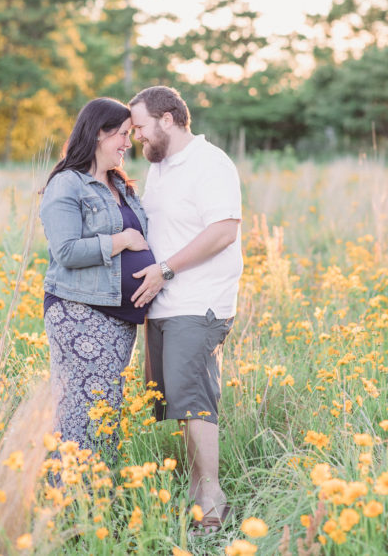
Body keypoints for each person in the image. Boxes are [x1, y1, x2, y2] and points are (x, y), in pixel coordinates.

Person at [127, 85, 243, 534]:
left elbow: (223, 232)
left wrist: (165, 271)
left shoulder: (209, 164)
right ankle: (198, 495)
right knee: (178, 402)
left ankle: (212, 508)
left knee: (195, 404)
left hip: (199, 302)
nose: (136, 137)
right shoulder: (160, 167)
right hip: (165, 305)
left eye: (139, 127)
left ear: (168, 119)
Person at [38, 98, 157, 463]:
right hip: (81, 313)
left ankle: (95, 496)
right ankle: (68, 499)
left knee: (106, 409)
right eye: (122, 134)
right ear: (98, 134)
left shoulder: (120, 186)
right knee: (81, 410)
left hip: (120, 319)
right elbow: (67, 251)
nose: (127, 143)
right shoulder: (67, 184)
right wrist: (121, 241)